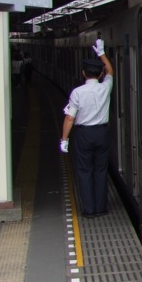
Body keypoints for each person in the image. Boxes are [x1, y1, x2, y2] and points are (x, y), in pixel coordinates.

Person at [60, 38, 114, 217]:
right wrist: (101, 53)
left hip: (84, 134)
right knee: (101, 170)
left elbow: (69, 118)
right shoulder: (105, 88)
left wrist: (64, 139)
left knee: (84, 171)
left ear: (83, 73)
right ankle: (101, 208)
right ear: (100, 74)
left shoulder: (77, 92)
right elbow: (110, 70)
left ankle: (89, 210)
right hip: (102, 133)